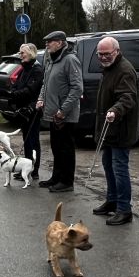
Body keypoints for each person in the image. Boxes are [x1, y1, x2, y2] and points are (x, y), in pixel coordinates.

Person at [92, 36, 139, 226]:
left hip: (121, 130)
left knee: (119, 169)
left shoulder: (125, 70)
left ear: (117, 52)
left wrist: (115, 110)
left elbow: (127, 97)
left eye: (107, 54)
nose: (103, 58)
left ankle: (124, 209)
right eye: (100, 54)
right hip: (108, 130)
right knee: (108, 165)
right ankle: (112, 201)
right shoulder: (109, 68)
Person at [36, 30, 83, 193]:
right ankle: (56, 177)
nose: (47, 44)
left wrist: (63, 110)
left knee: (66, 149)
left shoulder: (70, 60)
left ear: (61, 43)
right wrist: (41, 98)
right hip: (52, 114)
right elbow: (45, 83)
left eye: (51, 41)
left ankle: (67, 181)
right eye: (47, 41)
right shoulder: (51, 60)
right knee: (56, 147)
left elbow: (77, 88)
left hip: (65, 116)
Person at [9, 42, 44, 180]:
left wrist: (14, 95)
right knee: (26, 139)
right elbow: (17, 85)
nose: (20, 55)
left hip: (33, 109)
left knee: (33, 140)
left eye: (22, 52)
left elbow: (31, 90)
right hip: (23, 109)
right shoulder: (24, 68)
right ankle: (27, 168)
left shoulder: (37, 69)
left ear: (31, 53)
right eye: (20, 52)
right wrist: (11, 93)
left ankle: (34, 170)